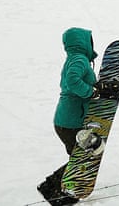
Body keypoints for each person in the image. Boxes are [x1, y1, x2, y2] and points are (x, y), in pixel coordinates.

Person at [37, 28, 96, 203]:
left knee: (82, 155)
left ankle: (59, 190)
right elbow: (72, 80)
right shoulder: (79, 59)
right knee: (84, 156)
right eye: (89, 40)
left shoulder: (76, 59)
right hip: (71, 121)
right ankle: (53, 189)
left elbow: (77, 80)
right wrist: (89, 93)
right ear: (83, 42)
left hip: (67, 120)